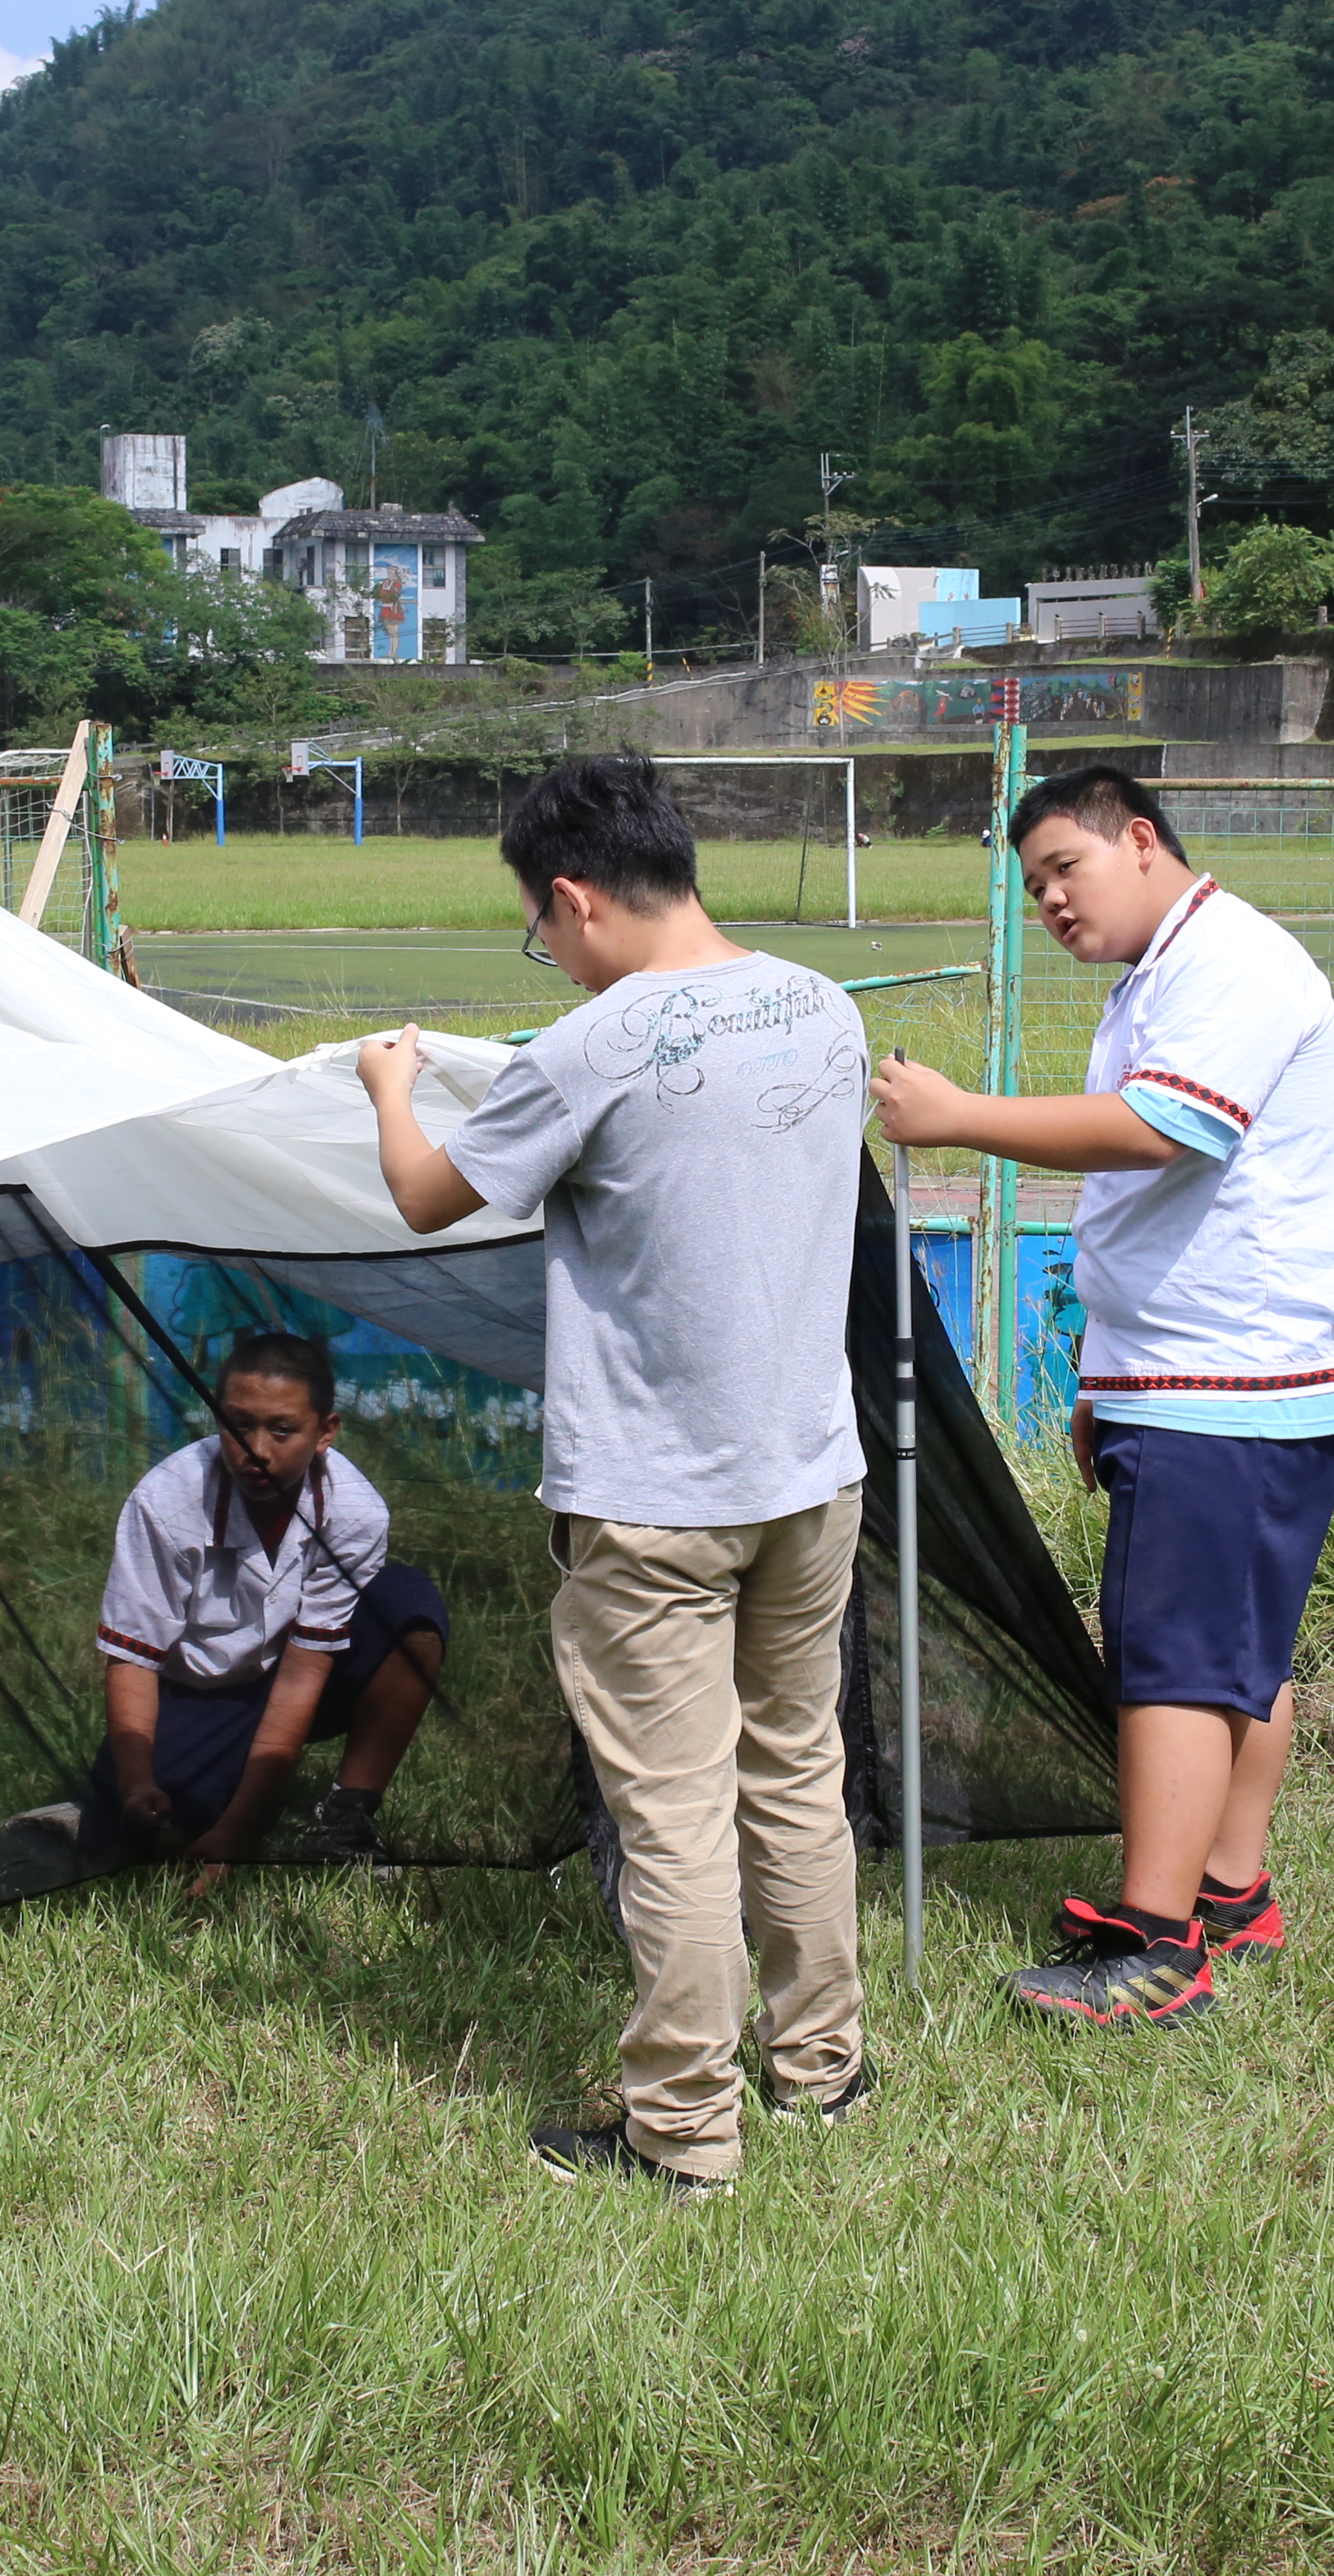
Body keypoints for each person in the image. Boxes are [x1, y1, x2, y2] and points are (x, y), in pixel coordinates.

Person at [355, 754, 871, 2196]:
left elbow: (421, 1195)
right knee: (796, 1769)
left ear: (574, 897)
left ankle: (683, 2132)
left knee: (671, 1811)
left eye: (542, 926)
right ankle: (821, 2068)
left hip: (652, 1503)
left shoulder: (591, 1048)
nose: (550, 951)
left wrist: (390, 1084)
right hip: (810, 1477)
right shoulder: (823, 1010)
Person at [871, 763, 1334, 2030]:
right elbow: (1153, 1202)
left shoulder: (1234, 966)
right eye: (1031, 880)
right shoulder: (1171, 972)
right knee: (1237, 1651)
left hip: (1232, 1375)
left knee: (1173, 1659)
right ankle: (1227, 1890)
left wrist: (959, 1114)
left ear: (1139, 839)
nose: (1048, 898)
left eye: (1064, 868)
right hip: (1207, 1372)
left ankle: (1154, 1945)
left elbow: (1163, 1131)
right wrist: (1108, 1380)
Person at [84, 1329, 452, 1883]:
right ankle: (175, 1787)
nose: (257, 1449)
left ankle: (346, 1817)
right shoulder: (166, 1500)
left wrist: (239, 1830)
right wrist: (137, 1782)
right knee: (133, 1835)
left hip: (299, 1680)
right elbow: (133, 1659)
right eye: (239, 1425)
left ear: (325, 1432)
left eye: (283, 1430)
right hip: (198, 1689)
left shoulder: (356, 1513)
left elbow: (306, 1671)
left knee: (409, 1608)